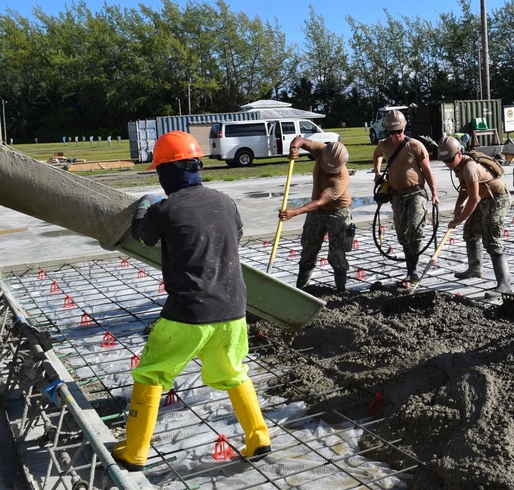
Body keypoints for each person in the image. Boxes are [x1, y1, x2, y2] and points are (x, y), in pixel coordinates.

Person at [113, 131, 270, 471]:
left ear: (166, 172)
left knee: (151, 375)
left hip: (189, 311)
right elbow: (235, 234)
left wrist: (144, 206)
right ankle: (258, 437)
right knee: (233, 373)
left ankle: (136, 452)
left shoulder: (165, 208)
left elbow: (144, 236)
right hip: (233, 310)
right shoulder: (225, 202)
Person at [438, 136, 512, 298]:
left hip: (498, 199)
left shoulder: (469, 168)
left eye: (450, 159)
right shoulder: (459, 167)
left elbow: (473, 199)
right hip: (486, 199)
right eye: (445, 161)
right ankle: (475, 268)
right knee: (471, 231)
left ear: (459, 153)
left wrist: (459, 219)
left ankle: (505, 284)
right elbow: (464, 190)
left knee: (492, 239)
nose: (448, 164)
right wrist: (458, 209)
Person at [373, 109, 439, 283]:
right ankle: (410, 269)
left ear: (404, 129)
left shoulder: (415, 145)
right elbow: (377, 155)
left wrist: (434, 192)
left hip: (416, 192)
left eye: (399, 131)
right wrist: (378, 172)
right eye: (392, 132)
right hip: (396, 195)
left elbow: (427, 170)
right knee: (402, 232)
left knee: (415, 228)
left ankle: (414, 269)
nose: (396, 135)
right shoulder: (384, 144)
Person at [278, 138, 352, 291]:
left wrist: (295, 212)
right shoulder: (324, 150)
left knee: (337, 254)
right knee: (309, 247)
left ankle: (340, 290)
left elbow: (319, 201)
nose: (326, 171)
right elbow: (300, 140)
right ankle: (302, 288)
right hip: (317, 212)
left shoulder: (341, 179)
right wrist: (294, 148)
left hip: (337, 212)